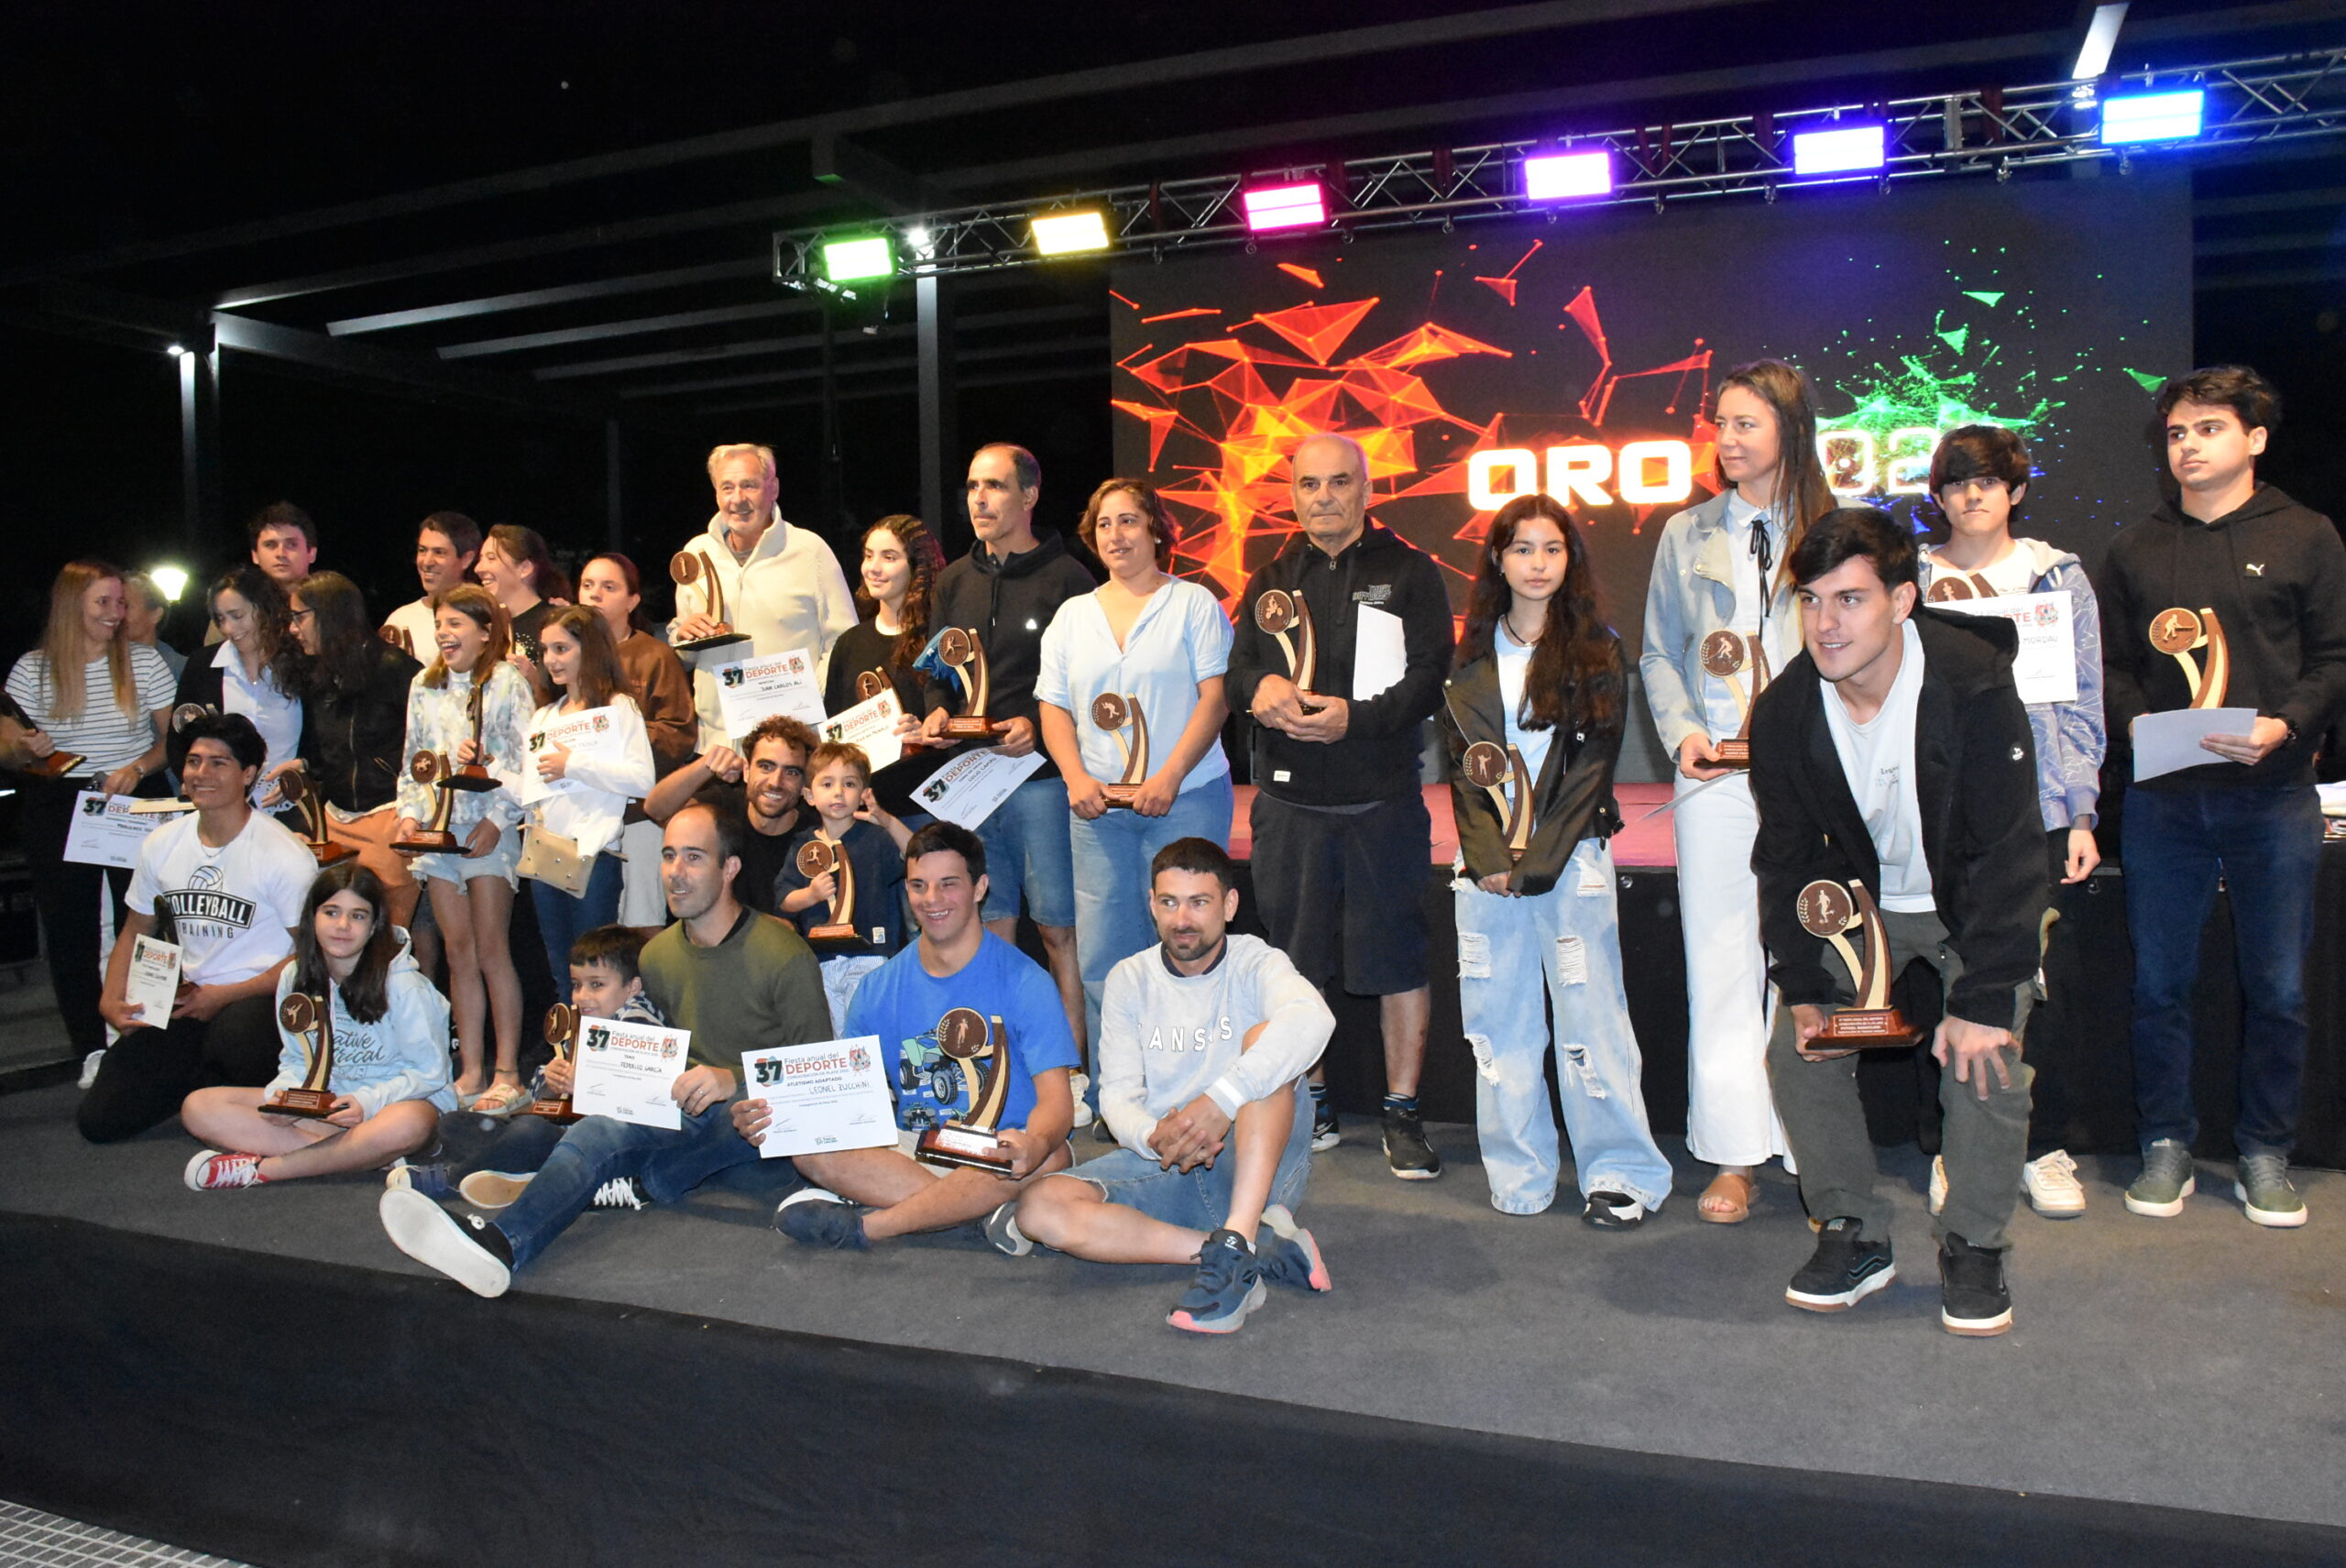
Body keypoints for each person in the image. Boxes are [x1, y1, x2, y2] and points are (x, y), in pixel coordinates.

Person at [1751, 508, 2045, 1336]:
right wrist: (1803, 985)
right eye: (1811, 601)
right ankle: (1853, 1227)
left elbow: (2010, 849)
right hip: (1864, 909)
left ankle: (1974, 1243)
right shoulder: (1785, 711)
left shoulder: (1972, 683)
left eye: (1849, 600)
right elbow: (1785, 860)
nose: (1826, 624)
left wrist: (1983, 998)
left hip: (1967, 904)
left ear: (1902, 600)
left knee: (1986, 1051)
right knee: (1799, 1045)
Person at [379, 801, 829, 1299]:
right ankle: (502, 1243)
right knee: (589, 1130)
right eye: (668, 856)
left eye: (694, 857)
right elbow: (644, 1052)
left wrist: (733, 1080)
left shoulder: (783, 954)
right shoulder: (657, 955)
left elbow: (817, 1076)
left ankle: (641, 1179)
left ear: (730, 868)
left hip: (748, 1128)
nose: (676, 872)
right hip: (676, 1112)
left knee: (736, 1116)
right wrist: (594, 1077)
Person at [2098, 367, 2346, 1228]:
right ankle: (2165, 1140)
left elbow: (2335, 658)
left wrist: (2288, 724)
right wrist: (2134, 723)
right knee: (2160, 984)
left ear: (2256, 439)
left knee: (2278, 987)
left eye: (2209, 429)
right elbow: (2114, 668)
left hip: (2272, 796)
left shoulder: (2307, 534)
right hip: (2165, 803)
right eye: (2177, 433)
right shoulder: (2135, 548)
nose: (2189, 446)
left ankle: (2265, 1149)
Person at [1223, 432, 1454, 1178]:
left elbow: (1431, 676)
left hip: (1382, 801)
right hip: (1289, 806)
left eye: (1339, 482)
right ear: (1293, 493)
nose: (1323, 496)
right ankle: (1314, 1099)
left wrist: (1356, 719)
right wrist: (1257, 688)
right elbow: (1238, 671)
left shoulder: (1410, 571)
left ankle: (1402, 1110)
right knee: (1296, 964)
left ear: (1366, 489)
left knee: (1398, 960)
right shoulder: (1270, 577)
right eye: (1309, 484)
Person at [1639, 358, 1835, 1223]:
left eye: (1745, 423)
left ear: (1789, 429)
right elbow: (1657, 651)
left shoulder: (1835, 528)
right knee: (1721, 960)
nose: (1726, 438)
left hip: (1812, 777)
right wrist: (1684, 731)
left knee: (1810, 959)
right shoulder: (1686, 532)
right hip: (1715, 777)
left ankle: (1812, 1146)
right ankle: (1732, 1152)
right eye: (1720, 423)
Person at [1444, 493, 1673, 1227]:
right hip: (1486, 871)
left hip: (1571, 863)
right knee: (1497, 1023)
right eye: (1522, 549)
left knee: (1592, 1021)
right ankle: (1519, 1173)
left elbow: (1592, 771)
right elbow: (1465, 768)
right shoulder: (1472, 654)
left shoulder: (1597, 648)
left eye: (1552, 548)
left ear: (1569, 558)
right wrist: (1489, 857)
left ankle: (1622, 1173)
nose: (1537, 564)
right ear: (1498, 559)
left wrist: (1537, 862)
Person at [1012, 839, 1333, 1334]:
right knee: (1039, 1209)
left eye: (1199, 902)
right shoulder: (1129, 977)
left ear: (1229, 904)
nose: (1182, 919)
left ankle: (1240, 1234)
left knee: (1268, 1042)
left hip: (1255, 1165)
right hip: (1168, 1161)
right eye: (1169, 902)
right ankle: (1239, 1250)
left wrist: (1221, 1102)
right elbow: (1117, 1094)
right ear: (1151, 904)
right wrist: (1151, 1136)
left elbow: (1315, 1018)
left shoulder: (1255, 961)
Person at [1918, 425, 2106, 1219]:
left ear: (2016, 491)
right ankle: (1954, 1146)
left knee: (2036, 978)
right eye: (1956, 482)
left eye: (1988, 481)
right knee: (1949, 974)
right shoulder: (1913, 579)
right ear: (1938, 496)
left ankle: (2040, 1145)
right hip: (1942, 804)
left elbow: (2083, 699)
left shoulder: (2056, 575)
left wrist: (2080, 810)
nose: (1972, 495)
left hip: (2040, 804)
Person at [736, 820, 1079, 1250]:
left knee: (1052, 1153)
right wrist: (777, 1115)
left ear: (980, 888)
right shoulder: (877, 988)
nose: (932, 899)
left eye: (948, 884)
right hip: (918, 1149)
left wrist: (1035, 1143)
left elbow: (1057, 1103)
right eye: (918, 886)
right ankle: (973, 1216)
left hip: (1001, 1151)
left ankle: (872, 1226)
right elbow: (849, 1105)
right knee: (810, 1149)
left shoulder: (1027, 980)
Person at [917, 444, 1102, 1069]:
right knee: (989, 928)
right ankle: (997, 1074)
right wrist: (937, 709)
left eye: (994, 486)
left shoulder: (1070, 579)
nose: (979, 498)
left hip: (1041, 780)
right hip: (970, 780)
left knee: (1056, 930)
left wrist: (1040, 728)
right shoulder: (953, 580)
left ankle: (1070, 1072)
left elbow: (1089, 684)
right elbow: (937, 669)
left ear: (1029, 496)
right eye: (972, 486)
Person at [1037, 477, 1233, 1058]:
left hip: (1185, 800)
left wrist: (1169, 777)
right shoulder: (1073, 616)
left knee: (1187, 944)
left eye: (1128, 520)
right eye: (1104, 523)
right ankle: (1115, 1088)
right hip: (1097, 812)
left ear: (1156, 530)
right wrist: (1075, 778)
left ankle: (1191, 1081)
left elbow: (1216, 699)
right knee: (1103, 958)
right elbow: (1053, 707)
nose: (1115, 534)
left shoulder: (1194, 604)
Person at [79, 711, 314, 1143]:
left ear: (248, 774)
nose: (201, 773)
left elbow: (313, 958)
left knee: (237, 1039)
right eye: (193, 761)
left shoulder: (284, 854)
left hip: (260, 1001)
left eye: (218, 763)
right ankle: (203, 1085)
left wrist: (226, 995)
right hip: (187, 999)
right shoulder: (161, 843)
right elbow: (134, 929)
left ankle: (235, 1088)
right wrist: (110, 998)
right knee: (100, 1120)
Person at [2, 560, 177, 1074]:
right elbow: (8, 749)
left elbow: (173, 740)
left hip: (132, 798)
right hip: (59, 802)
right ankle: (92, 1049)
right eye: (103, 602)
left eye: (120, 602)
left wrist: (137, 767)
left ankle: (146, 1044)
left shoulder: (144, 662)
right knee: (71, 931)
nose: (115, 613)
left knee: (145, 925)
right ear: (70, 604)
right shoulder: (31, 668)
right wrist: (26, 749)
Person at [181, 862, 454, 1190]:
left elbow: (430, 1073)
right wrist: (285, 1099)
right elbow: (297, 1059)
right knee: (199, 1107)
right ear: (313, 918)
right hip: (329, 1108)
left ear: (374, 926)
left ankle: (265, 1170)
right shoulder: (294, 976)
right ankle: (359, 1156)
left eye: (357, 916)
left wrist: (367, 1102)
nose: (342, 925)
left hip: (392, 1105)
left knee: (407, 1124)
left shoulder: (404, 985)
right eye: (331, 912)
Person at [389, 925, 663, 1212]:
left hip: (597, 1145)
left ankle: (452, 1179)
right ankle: (517, 1174)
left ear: (632, 987)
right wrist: (552, 1082)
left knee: (531, 1132)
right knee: (455, 1123)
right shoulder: (581, 1022)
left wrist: (589, 1085)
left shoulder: (639, 1022)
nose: (582, 996)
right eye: (576, 985)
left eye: (597, 985)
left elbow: (647, 1098)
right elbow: (540, 1094)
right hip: (561, 1130)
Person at [391, 584, 532, 1113]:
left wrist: (498, 821)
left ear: (485, 631)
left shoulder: (507, 682)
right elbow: (414, 761)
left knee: (492, 949)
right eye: (439, 625)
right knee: (458, 953)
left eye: (455, 624)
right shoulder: (423, 685)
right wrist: (410, 815)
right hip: (439, 834)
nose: (443, 634)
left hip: (486, 831)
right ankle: (471, 1070)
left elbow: (524, 761)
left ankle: (508, 1071)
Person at [269, 572, 425, 932]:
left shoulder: (396, 669)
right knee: (335, 936)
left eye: (299, 617)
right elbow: (330, 746)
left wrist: (411, 813)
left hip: (389, 819)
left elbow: (426, 750)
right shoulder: (320, 674)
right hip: (335, 821)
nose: (292, 629)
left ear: (330, 615)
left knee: (385, 941)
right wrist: (304, 765)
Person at [672, 442, 858, 742]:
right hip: (715, 744)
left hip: (790, 740)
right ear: (716, 493)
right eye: (727, 487)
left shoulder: (809, 551)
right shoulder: (695, 553)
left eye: (750, 485)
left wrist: (806, 701)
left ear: (774, 489)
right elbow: (684, 654)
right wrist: (683, 638)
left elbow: (844, 642)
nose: (738, 499)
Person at [521, 607, 656, 1003]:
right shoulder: (544, 716)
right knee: (561, 969)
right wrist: (488, 766)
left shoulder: (618, 707)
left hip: (594, 854)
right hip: (546, 855)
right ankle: (568, 1040)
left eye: (561, 648)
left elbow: (642, 780)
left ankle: (598, 1041)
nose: (551, 659)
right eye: (546, 650)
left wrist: (574, 765)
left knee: (596, 970)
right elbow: (530, 790)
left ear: (590, 649)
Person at [576, 551, 698, 938]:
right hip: (582, 814)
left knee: (641, 924)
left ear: (632, 600)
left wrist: (615, 741)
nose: (595, 594)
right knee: (593, 932)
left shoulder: (653, 655)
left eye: (609, 587)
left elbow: (679, 732)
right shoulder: (568, 656)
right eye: (587, 585)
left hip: (638, 814)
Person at [773, 740, 911, 1031]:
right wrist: (810, 895)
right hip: (822, 958)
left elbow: (917, 855)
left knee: (866, 1029)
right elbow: (784, 899)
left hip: (870, 953)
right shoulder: (803, 846)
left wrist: (887, 820)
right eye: (827, 784)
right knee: (836, 1035)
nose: (838, 792)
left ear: (863, 794)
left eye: (849, 784)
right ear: (809, 795)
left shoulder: (876, 838)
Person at [821, 514, 948, 820]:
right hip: (863, 812)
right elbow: (833, 731)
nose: (873, 568)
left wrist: (927, 732)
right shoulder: (849, 643)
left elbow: (959, 716)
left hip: (928, 809)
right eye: (869, 556)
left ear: (918, 568)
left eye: (889, 557)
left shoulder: (939, 640)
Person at [642, 714, 817, 916]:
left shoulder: (817, 829)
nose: (775, 782)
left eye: (791, 772)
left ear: (804, 783)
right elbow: (656, 810)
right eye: (765, 767)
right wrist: (705, 765)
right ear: (746, 770)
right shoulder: (723, 806)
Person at [173, 565, 303, 793]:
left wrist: (303, 769)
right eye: (220, 619)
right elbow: (180, 738)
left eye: (237, 616)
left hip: (290, 801)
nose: (228, 628)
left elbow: (322, 741)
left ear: (265, 609)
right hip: (221, 804)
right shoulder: (203, 665)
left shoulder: (301, 662)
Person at [475, 523, 569, 703]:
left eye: (491, 558)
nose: (478, 568)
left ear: (524, 568)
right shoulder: (483, 626)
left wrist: (535, 682)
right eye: (481, 558)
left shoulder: (556, 621)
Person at [382, 511, 479, 658]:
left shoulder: (485, 617)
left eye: (439, 552)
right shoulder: (400, 621)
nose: (427, 562)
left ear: (466, 559)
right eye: (422, 550)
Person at [123, 572, 186, 678]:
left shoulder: (182, 671)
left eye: (126, 606)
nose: (115, 614)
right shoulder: (96, 664)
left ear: (156, 615)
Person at [247, 502, 320, 589]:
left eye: (292, 545)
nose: (281, 554)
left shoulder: (332, 597)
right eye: (270, 545)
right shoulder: (238, 597)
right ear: (255, 555)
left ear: (312, 553)